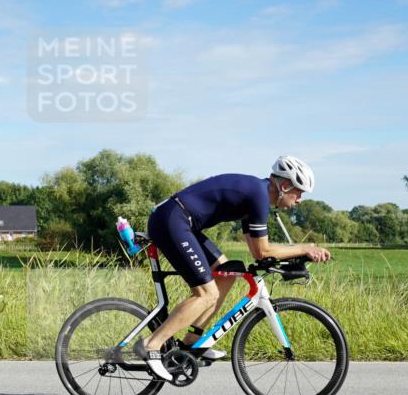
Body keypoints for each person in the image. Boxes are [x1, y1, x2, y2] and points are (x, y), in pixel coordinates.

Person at [135, 155, 331, 381]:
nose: (299, 200)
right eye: (299, 192)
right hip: (172, 220)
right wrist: (303, 249)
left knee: (227, 273)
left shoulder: (256, 196)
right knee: (206, 294)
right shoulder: (258, 195)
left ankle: (191, 344)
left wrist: (295, 253)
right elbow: (263, 251)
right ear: (285, 186)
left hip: (179, 221)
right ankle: (152, 345)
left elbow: (256, 250)